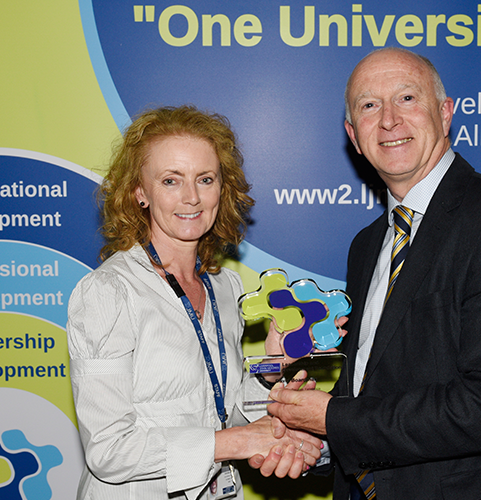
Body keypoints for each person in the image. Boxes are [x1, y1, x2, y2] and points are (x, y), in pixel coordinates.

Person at [266, 48, 481, 499]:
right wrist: (300, 409)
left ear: (445, 114)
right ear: (353, 134)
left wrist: (331, 418)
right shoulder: (368, 245)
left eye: (407, 98)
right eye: (369, 105)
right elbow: (375, 392)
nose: (389, 119)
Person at [66, 105, 323, 500]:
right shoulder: (109, 292)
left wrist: (273, 370)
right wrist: (235, 443)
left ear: (223, 187)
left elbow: (226, 405)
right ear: (140, 192)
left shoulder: (225, 285)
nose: (191, 197)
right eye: (171, 180)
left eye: (205, 179)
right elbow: (109, 450)